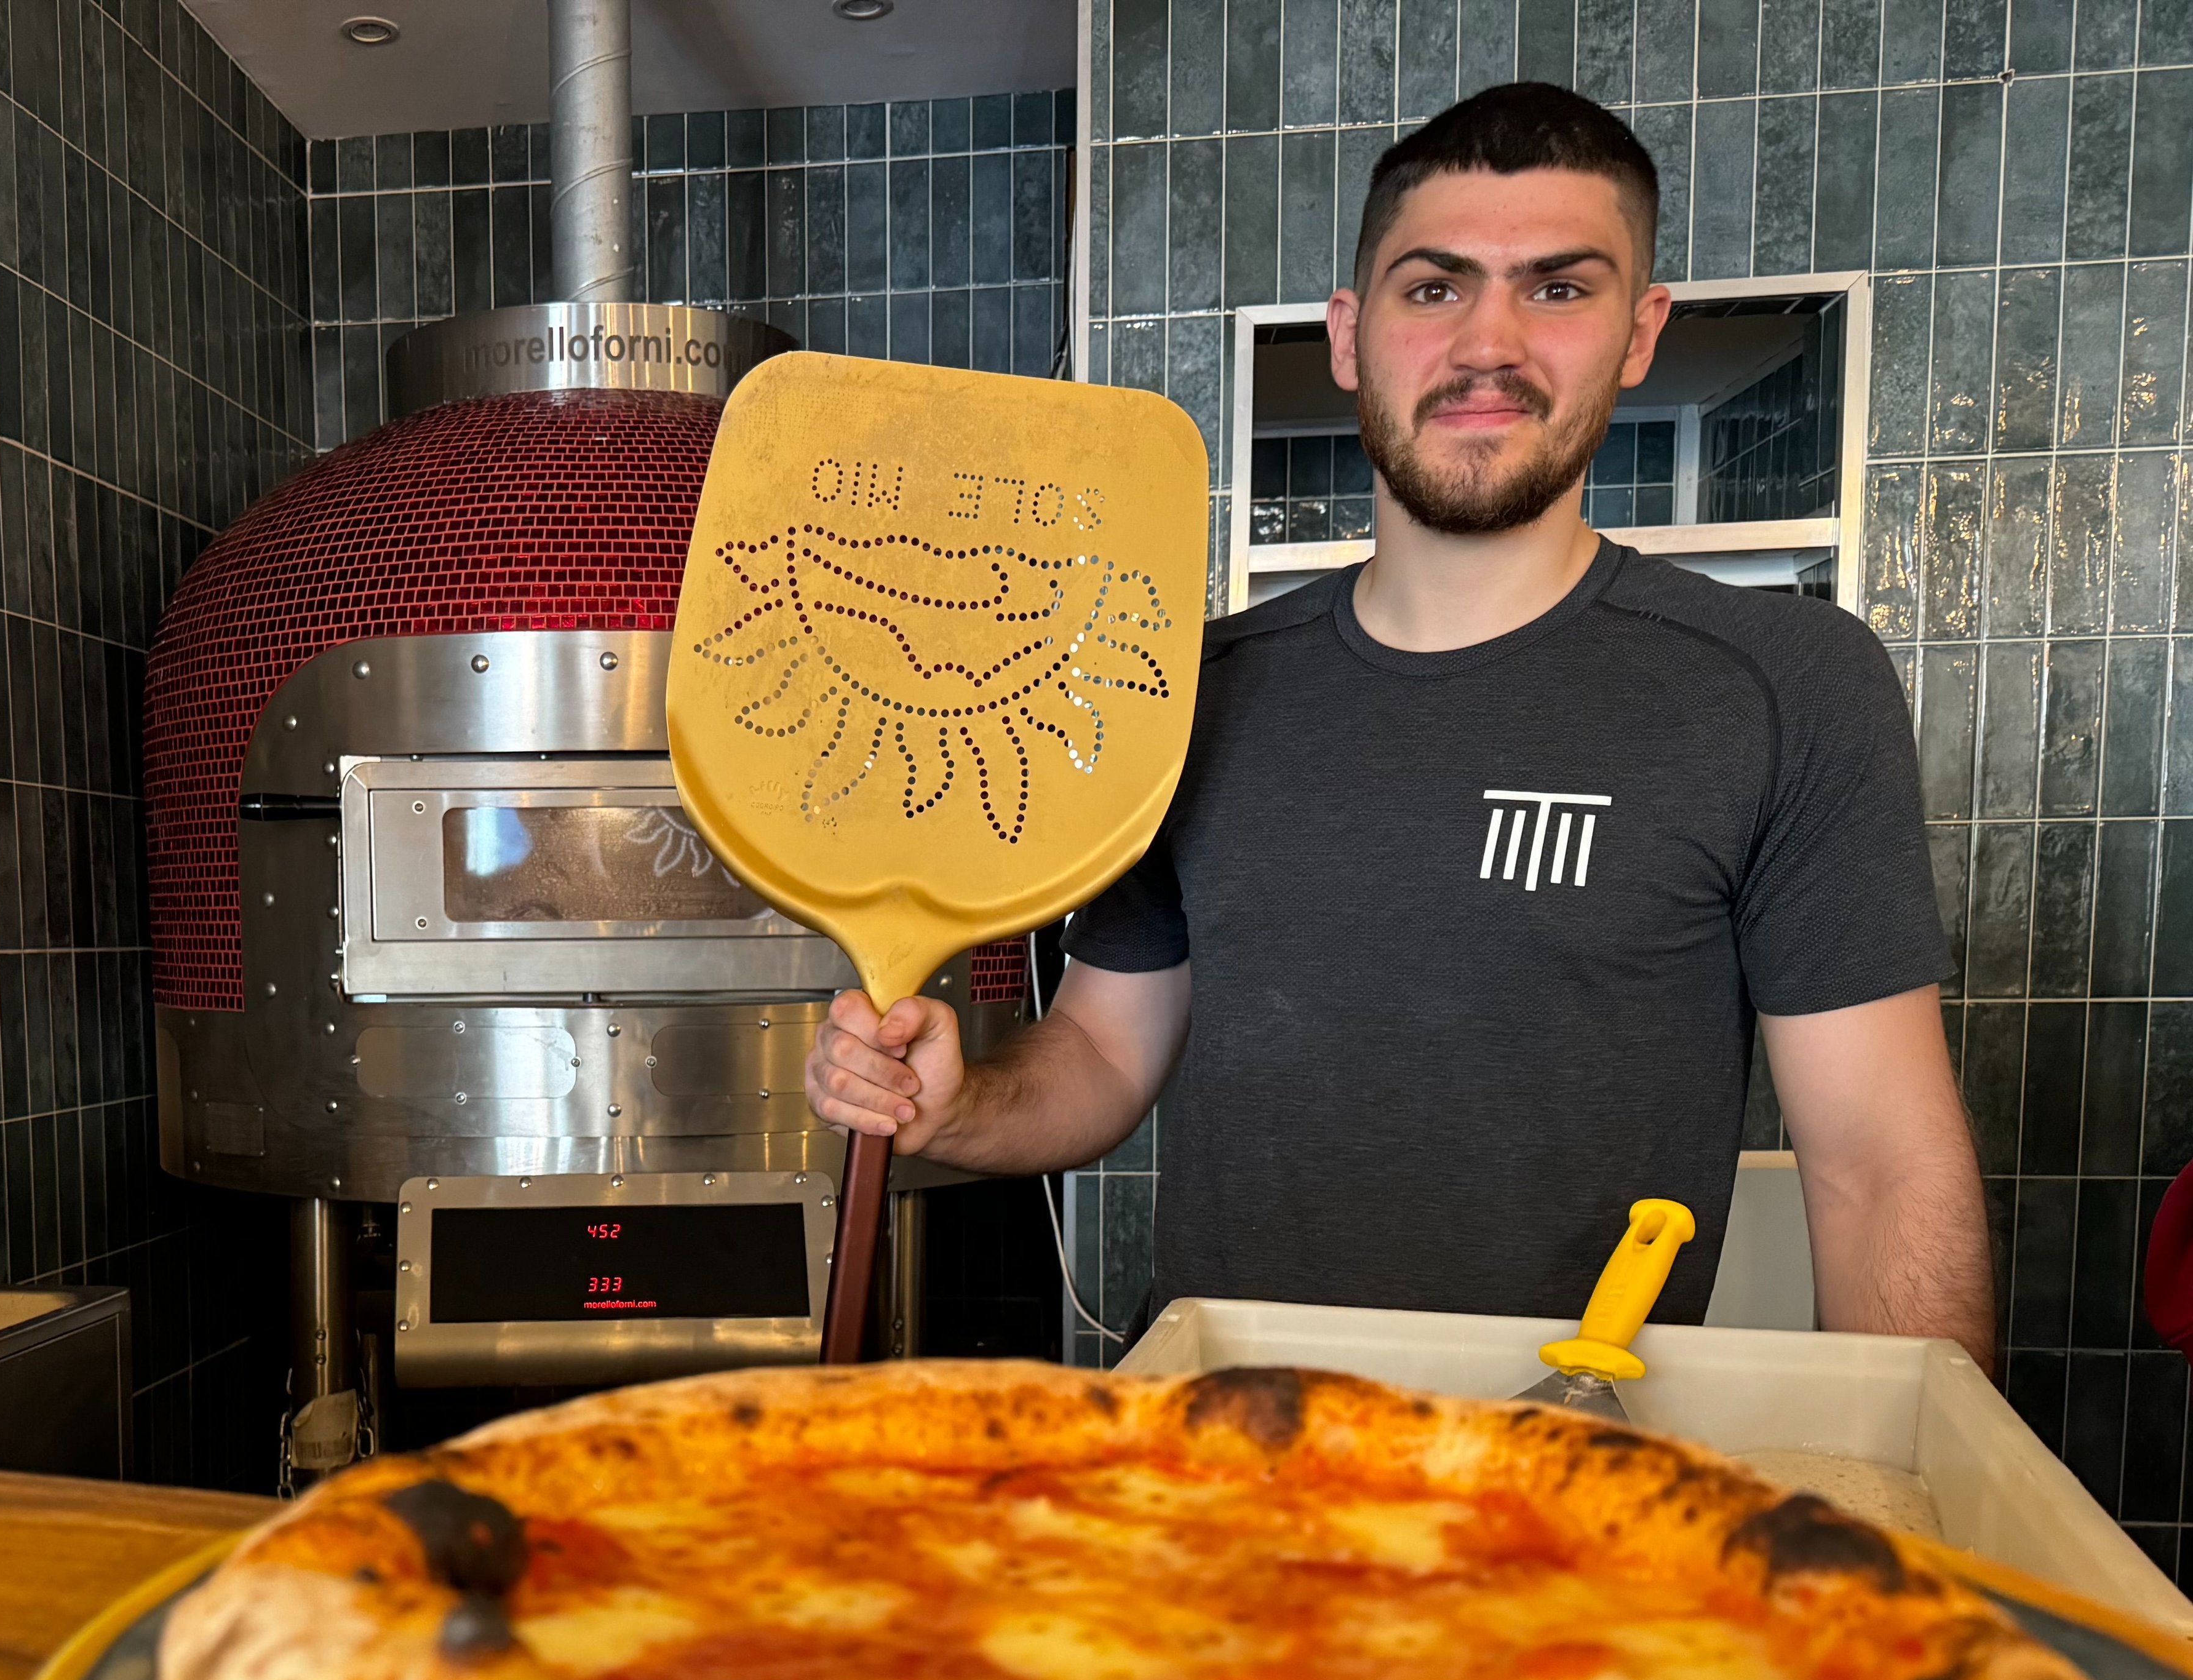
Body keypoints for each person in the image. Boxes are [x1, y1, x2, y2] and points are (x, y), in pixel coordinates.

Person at [804, 81, 1994, 1369]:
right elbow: (1102, 1047)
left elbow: (1878, 1168)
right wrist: (957, 1100)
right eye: (1432, 288)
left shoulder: (1783, 684)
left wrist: (1914, 1506)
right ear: (1350, 335)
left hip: (1561, 1473)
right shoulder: (1187, 690)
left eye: (1556, 286)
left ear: (1639, 331)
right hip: (1222, 1454)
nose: (1488, 342)